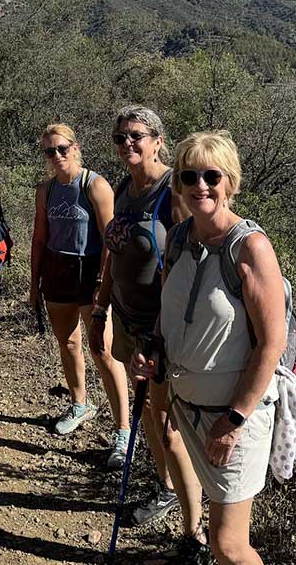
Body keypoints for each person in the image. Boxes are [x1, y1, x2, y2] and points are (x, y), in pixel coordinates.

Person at [132, 130, 287, 565]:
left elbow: (271, 344)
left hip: (234, 419)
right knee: (221, 544)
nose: (200, 185)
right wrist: (155, 350)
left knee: (229, 546)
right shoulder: (181, 239)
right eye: (189, 175)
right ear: (178, 182)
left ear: (229, 182)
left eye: (211, 175)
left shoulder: (250, 248)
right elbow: (169, 310)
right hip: (188, 407)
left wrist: (234, 419)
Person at [91, 106, 204, 538]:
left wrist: (157, 335)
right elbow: (113, 252)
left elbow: (185, 270)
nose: (127, 145)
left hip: (159, 332)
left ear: (158, 140)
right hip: (126, 319)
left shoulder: (171, 193)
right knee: (152, 418)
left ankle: (193, 531)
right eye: (120, 138)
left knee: (169, 426)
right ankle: (164, 486)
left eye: (136, 136)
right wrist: (101, 304)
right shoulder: (124, 187)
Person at [28, 125, 129, 450]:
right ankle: (79, 403)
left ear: (75, 148)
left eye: (61, 148)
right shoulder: (46, 190)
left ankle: (124, 428)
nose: (56, 156)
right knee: (68, 344)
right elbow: (40, 238)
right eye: (49, 151)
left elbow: (111, 241)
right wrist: (34, 282)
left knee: (103, 350)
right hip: (58, 272)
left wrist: (104, 284)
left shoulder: (95, 186)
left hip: (90, 273)